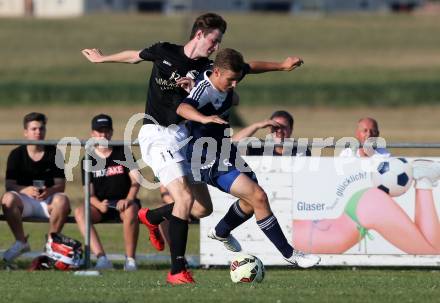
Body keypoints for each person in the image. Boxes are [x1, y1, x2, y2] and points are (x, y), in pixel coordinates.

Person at [82, 13, 304, 284]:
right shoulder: (165, 51)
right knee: (185, 201)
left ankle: (151, 216)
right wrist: (103, 58)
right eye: (214, 40)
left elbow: (247, 67)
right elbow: (134, 55)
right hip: (157, 134)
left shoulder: (209, 69)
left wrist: (281, 66)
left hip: (183, 139)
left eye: (220, 41)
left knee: (201, 210)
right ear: (199, 34)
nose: (216, 46)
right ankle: (177, 270)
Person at [142, 48, 320, 268]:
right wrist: (204, 119)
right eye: (231, 80)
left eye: (237, 79)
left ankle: (215, 230)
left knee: (225, 205)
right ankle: (290, 254)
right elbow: (183, 107)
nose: (234, 85)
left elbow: (251, 67)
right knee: (259, 197)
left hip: (224, 151)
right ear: (216, 72)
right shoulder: (203, 90)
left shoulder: (230, 74)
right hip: (204, 155)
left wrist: (282, 66)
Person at [293, 159, 440, 254]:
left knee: (431, 252)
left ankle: (424, 178)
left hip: (367, 208)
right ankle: (423, 179)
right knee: (431, 250)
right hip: (363, 207)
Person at [1, 112, 70, 263]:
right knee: (8, 199)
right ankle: (21, 242)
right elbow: (9, 185)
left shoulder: (55, 153)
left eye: (41, 129)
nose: (38, 132)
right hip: (25, 201)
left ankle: (50, 246)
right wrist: (25, 190)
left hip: (48, 201)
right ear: (25, 132)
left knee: (63, 200)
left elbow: (61, 185)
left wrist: (49, 191)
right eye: (34, 129)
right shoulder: (16, 154)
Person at [74, 114, 141, 271]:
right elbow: (88, 194)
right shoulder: (88, 159)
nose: (102, 135)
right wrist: (99, 204)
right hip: (101, 205)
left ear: (111, 132)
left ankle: (130, 260)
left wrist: (128, 199)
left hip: (124, 202)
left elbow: (136, 181)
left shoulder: (122, 152)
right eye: (99, 131)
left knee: (131, 211)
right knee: (80, 212)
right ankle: (101, 258)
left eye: (106, 131)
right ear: (92, 134)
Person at [232, 110, 311, 156]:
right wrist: (256, 126)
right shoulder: (259, 147)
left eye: (283, 127)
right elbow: (232, 143)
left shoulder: (300, 149)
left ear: (291, 129)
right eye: (275, 127)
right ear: (269, 129)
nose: (279, 130)